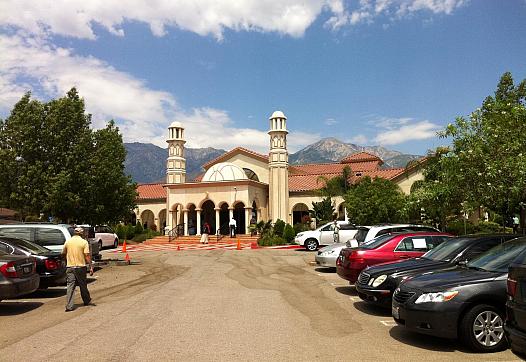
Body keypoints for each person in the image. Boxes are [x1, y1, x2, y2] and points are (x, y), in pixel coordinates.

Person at [62, 227, 93, 312]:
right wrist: (90, 266)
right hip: (80, 267)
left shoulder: (68, 241)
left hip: (70, 267)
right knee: (83, 284)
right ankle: (86, 300)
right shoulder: (84, 242)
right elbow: (87, 255)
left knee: (70, 286)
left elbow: (63, 253)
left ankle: (69, 306)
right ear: (81, 234)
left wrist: (67, 261)